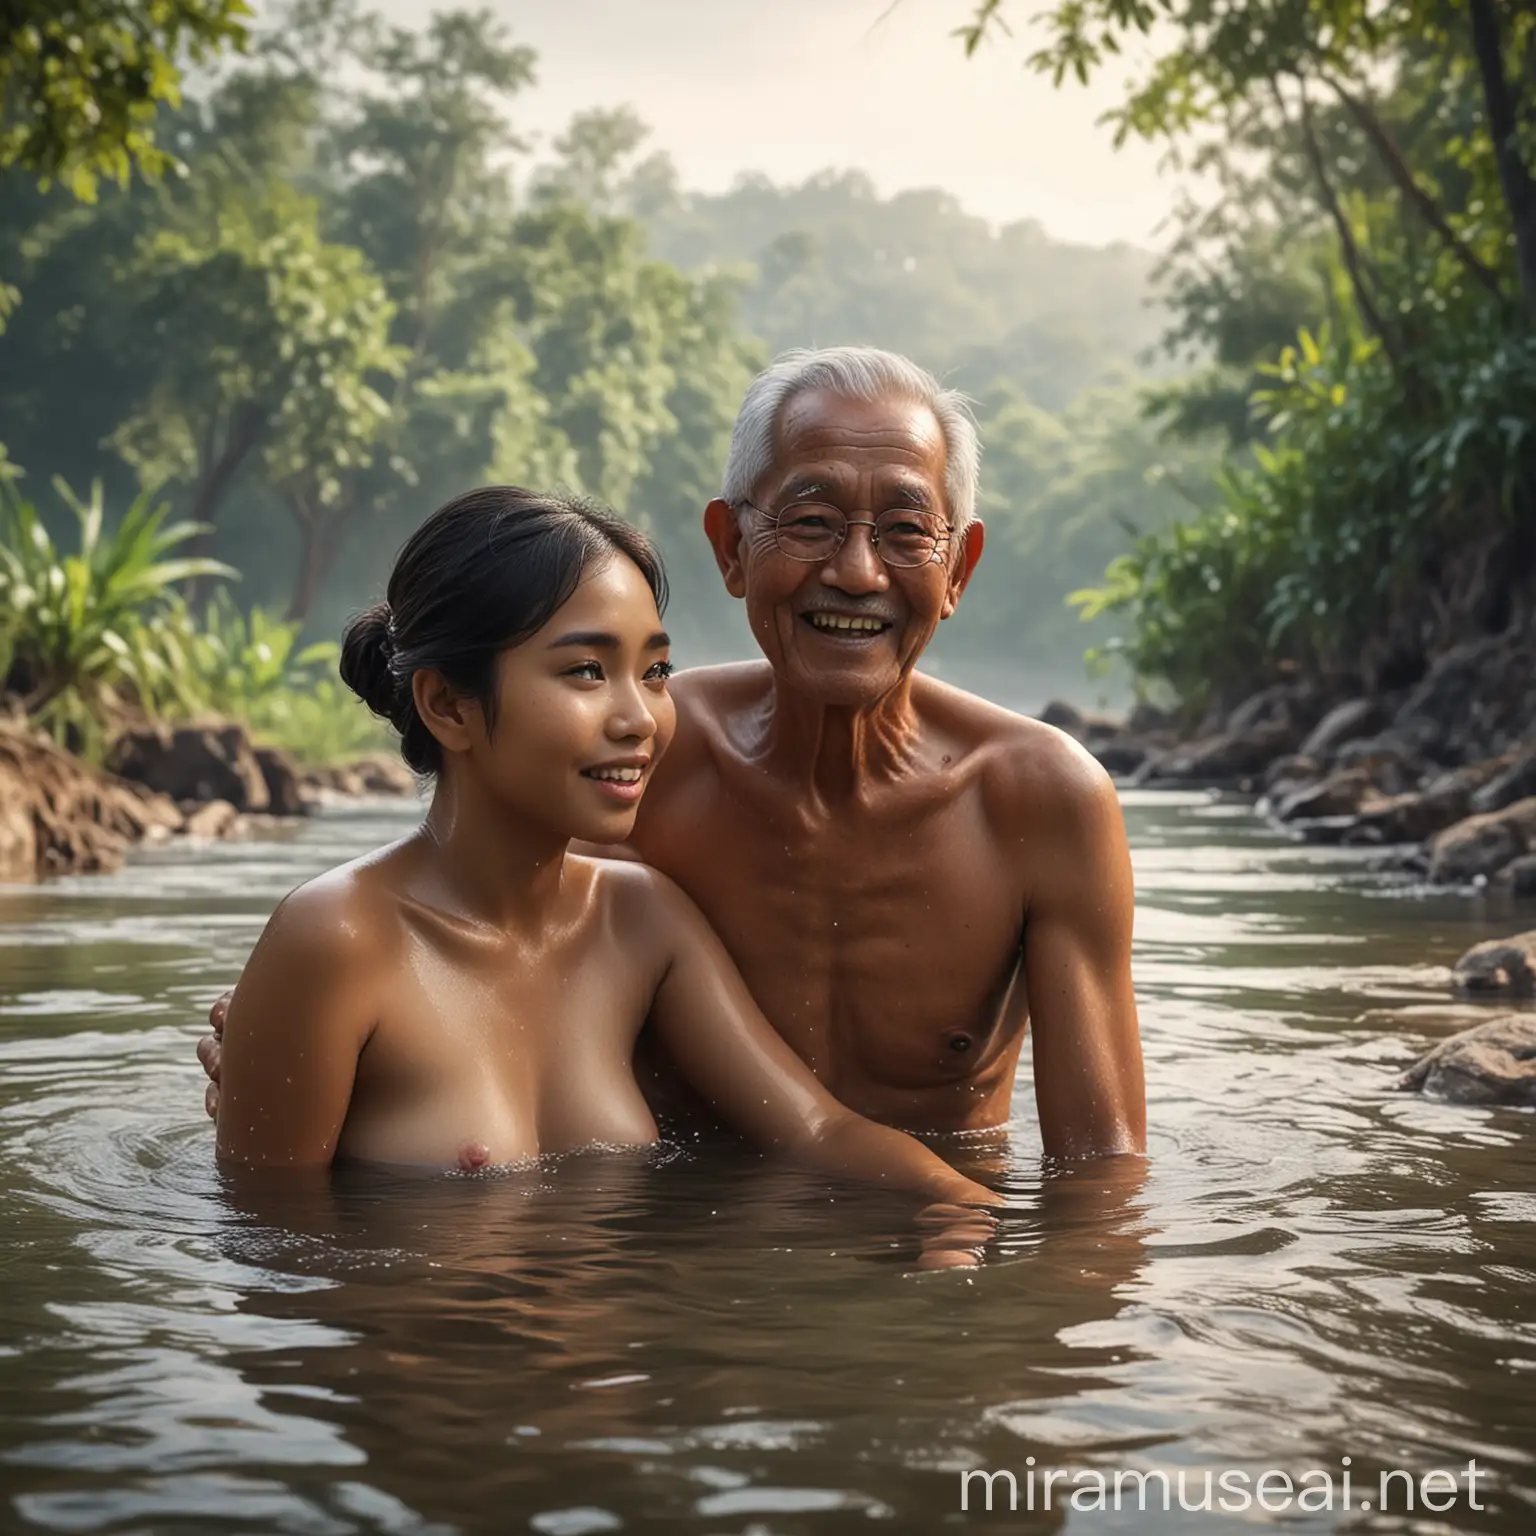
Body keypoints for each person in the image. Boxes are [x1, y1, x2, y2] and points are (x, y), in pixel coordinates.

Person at [204, 346, 1144, 1162]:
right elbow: (463, 943)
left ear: (958, 572)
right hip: (660, 1274)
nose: (857, 572)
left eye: (905, 531)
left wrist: (1007, 1299)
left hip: (933, 1262)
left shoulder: (1041, 801)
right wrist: (317, 1053)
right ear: (731, 548)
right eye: (810, 522)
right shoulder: (632, 767)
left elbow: (1102, 1172)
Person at [209, 483, 999, 1226]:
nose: (642, 719)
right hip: (428, 1361)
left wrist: (958, 1202)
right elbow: (269, 1245)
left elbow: (816, 1133)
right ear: (448, 704)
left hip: (618, 1364)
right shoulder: (340, 941)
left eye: (654, 671)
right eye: (587, 671)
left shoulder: (639, 919)